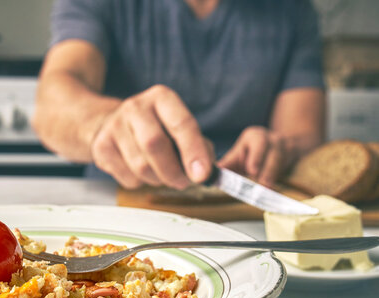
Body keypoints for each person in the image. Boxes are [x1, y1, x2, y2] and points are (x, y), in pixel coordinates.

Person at [32, 0, 325, 190]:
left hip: (241, 214)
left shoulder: (294, 10)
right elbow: (53, 101)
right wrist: (104, 122)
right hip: (118, 203)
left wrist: (279, 148)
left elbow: (304, 136)